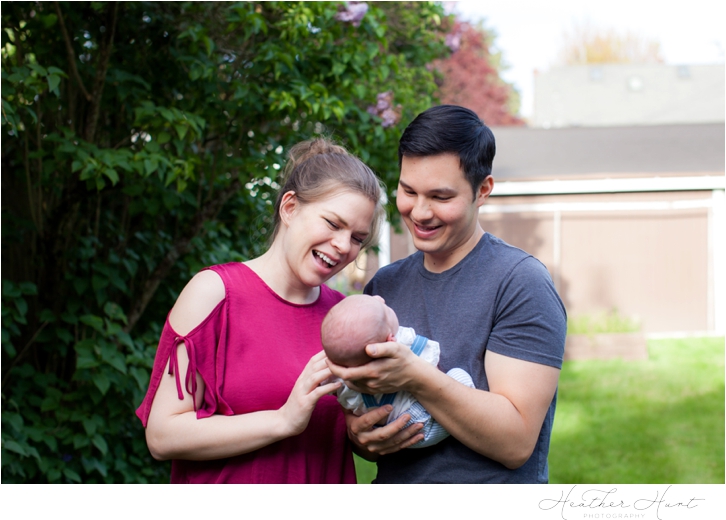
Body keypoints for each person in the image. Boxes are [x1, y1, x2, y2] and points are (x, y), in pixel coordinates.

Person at [327, 105, 567, 483]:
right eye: (408, 191)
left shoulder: (520, 283)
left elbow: (516, 443)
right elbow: (361, 422)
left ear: (482, 190)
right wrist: (359, 435)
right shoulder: (382, 290)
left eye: (440, 196)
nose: (419, 212)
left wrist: (415, 375)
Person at [135, 137, 396, 483]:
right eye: (333, 224)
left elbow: (342, 433)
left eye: (358, 238)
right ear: (289, 207)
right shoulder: (216, 293)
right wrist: (282, 420)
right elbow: (162, 435)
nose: (343, 246)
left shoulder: (343, 317)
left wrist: (365, 437)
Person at [320, 294, 474, 448]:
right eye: (386, 312)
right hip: (419, 421)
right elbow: (431, 362)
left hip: (385, 428)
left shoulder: (342, 375)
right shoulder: (403, 344)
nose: (383, 300)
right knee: (459, 376)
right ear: (390, 340)